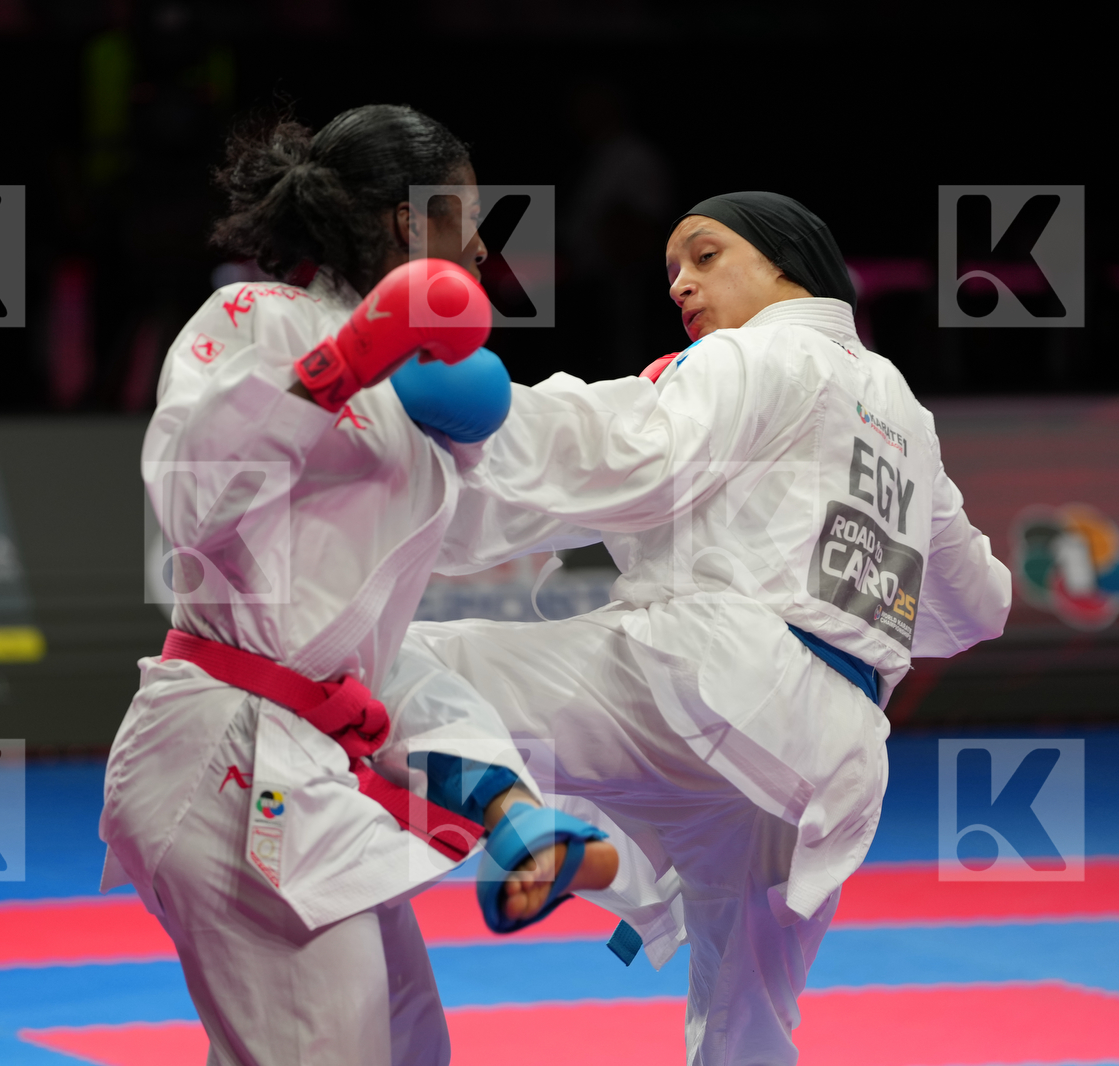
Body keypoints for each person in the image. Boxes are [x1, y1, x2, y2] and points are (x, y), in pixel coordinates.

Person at [399, 191, 1013, 1064]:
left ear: (783, 264)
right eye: (674, 272)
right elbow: (978, 605)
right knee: (745, 1026)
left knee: (390, 665)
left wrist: (464, 428)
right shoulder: (906, 418)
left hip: (714, 679)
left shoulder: (754, 355)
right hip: (831, 762)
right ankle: (528, 822)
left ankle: (512, 823)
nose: (683, 284)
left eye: (706, 256)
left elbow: (626, 451)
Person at [97, 105, 616, 1066]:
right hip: (226, 748)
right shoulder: (259, 319)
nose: (485, 241)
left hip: (301, 762)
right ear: (408, 226)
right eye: (465, 214)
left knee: (408, 1044)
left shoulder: (410, 392)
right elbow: (191, 501)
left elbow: (486, 526)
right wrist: (343, 365)